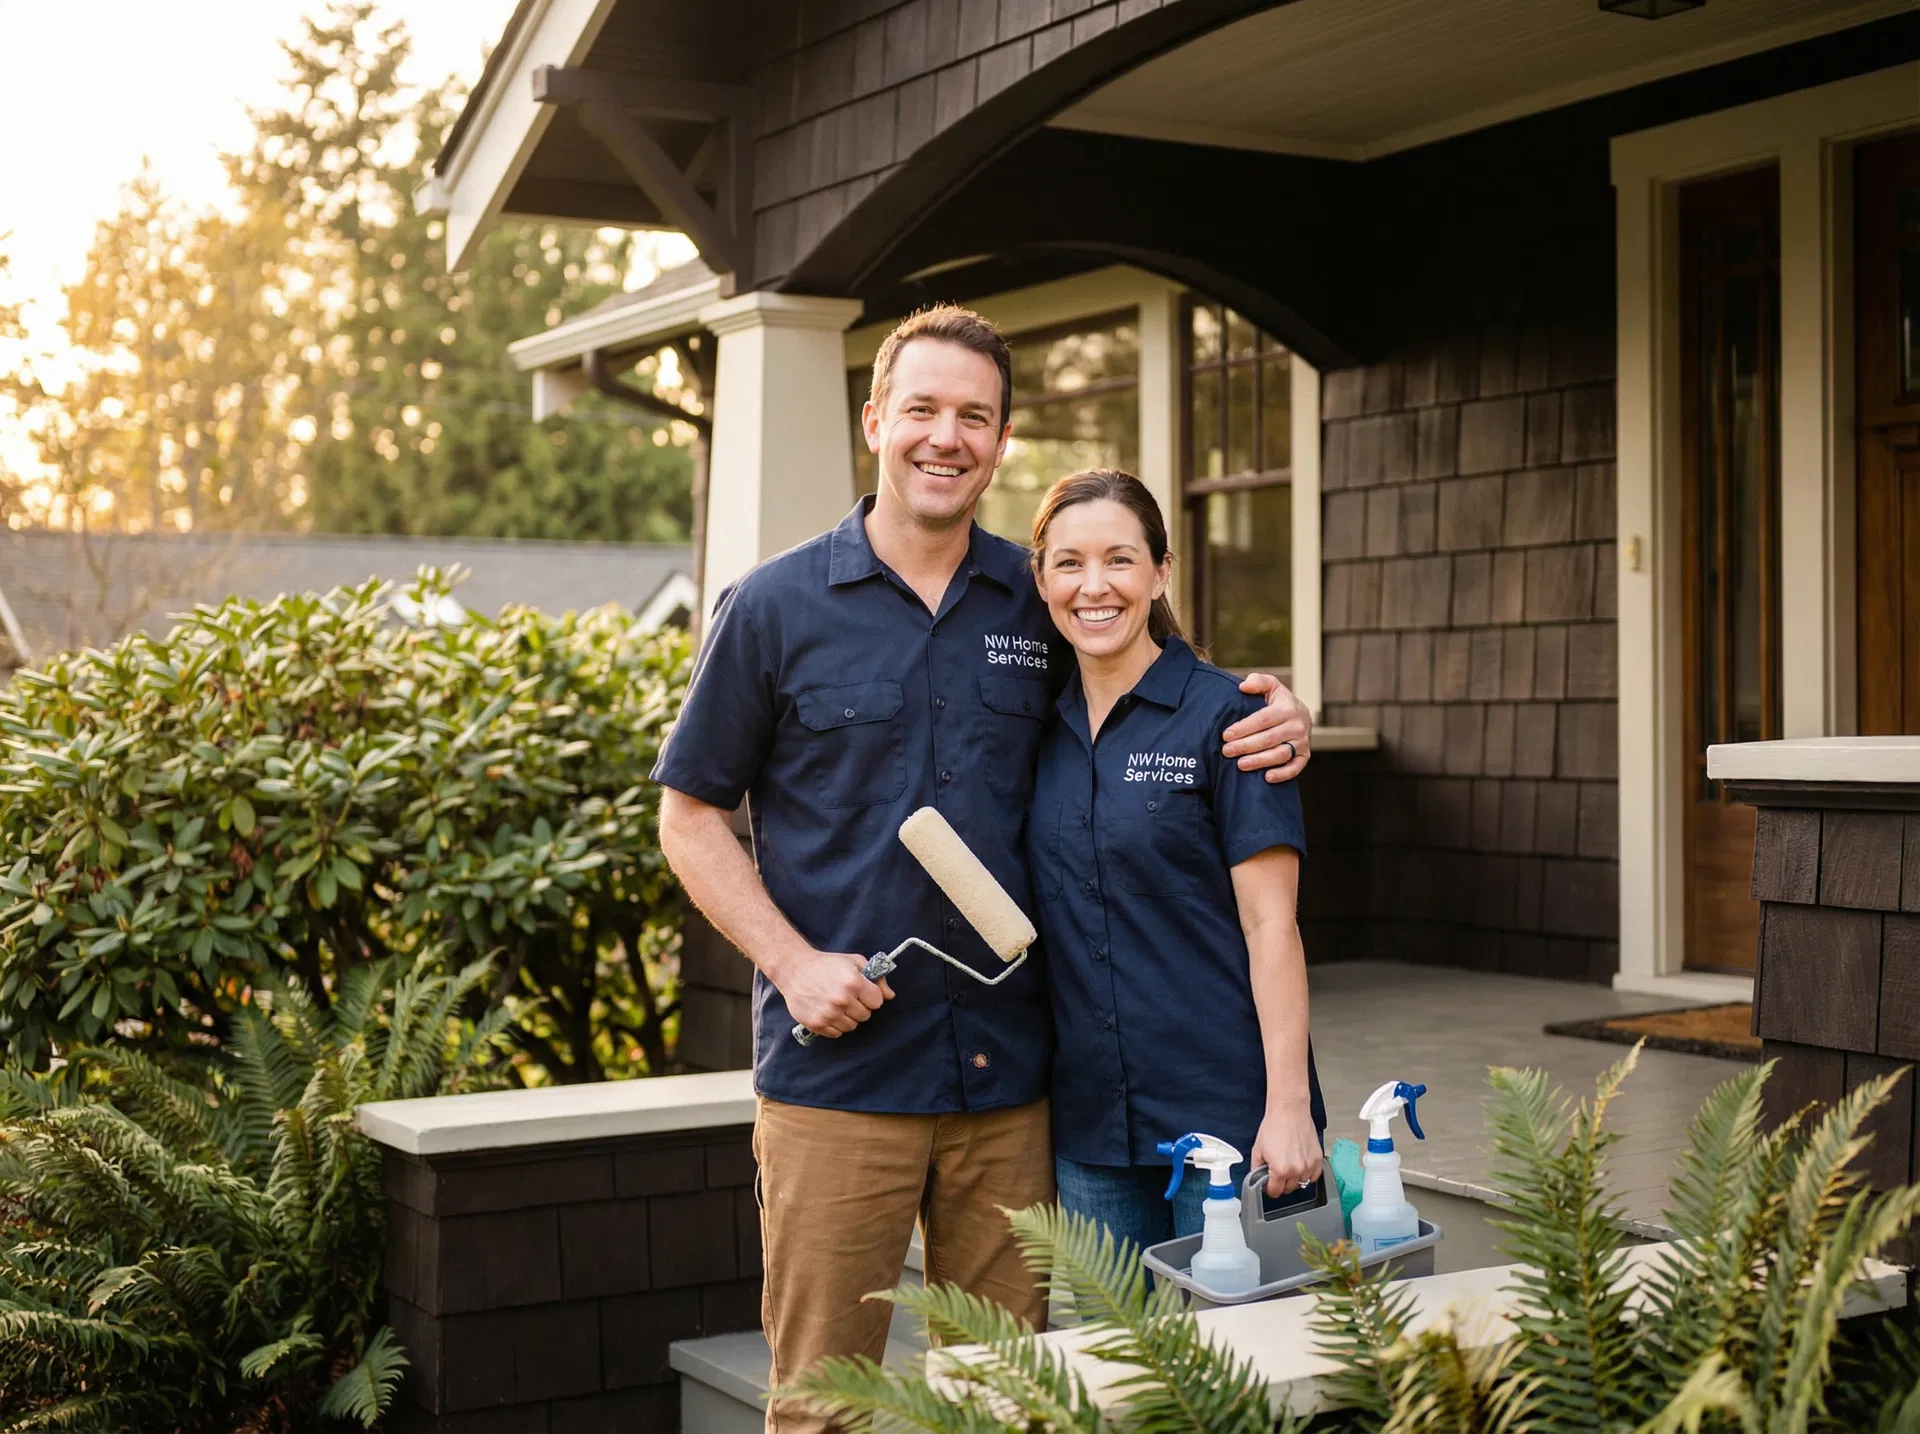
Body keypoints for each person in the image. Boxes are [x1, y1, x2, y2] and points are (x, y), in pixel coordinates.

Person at [652, 305, 1311, 1434]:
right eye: (922, 409)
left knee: (1018, 1404)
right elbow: (689, 815)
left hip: (1012, 1088)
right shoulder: (772, 608)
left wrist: (1277, 710)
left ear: (1002, 442)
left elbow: (1158, 669)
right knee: (824, 1407)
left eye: (975, 416)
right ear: (875, 421)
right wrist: (793, 962)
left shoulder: (1038, 593)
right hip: (838, 1084)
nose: (945, 437)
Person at [1026, 469, 1325, 1255]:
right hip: (1092, 1126)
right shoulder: (1032, 728)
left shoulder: (1232, 719)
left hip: (1228, 1121)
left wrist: (1288, 1105)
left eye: (1121, 560)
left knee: (1242, 1363)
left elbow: (1272, 928)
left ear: (1160, 572)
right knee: (1113, 1364)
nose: (1096, 586)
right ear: (1041, 579)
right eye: (1070, 563)